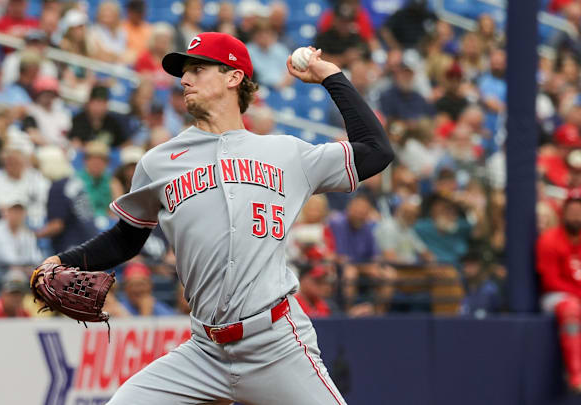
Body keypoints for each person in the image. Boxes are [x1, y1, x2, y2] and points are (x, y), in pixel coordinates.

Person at [37, 33, 393, 404]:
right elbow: (127, 238)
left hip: (276, 345)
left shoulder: (286, 153)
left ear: (233, 77)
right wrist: (62, 261)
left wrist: (330, 75)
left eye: (198, 69)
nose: (185, 79)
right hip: (204, 352)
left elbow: (376, 150)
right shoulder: (158, 162)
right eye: (184, 72)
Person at [536, 190, 581, 392]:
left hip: (577, 294)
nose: (576, 216)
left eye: (579, 212)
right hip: (555, 297)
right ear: (563, 213)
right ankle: (576, 373)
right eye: (572, 211)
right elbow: (550, 282)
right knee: (571, 308)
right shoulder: (549, 239)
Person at [35, 146, 96, 253]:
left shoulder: (58, 187)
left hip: (71, 247)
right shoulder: (75, 182)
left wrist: (33, 235)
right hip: (89, 241)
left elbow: (57, 225)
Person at [79, 140, 113, 218]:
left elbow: (118, 211)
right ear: (85, 161)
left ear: (107, 163)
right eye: (93, 159)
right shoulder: (76, 181)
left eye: (101, 160)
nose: (97, 163)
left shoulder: (112, 182)